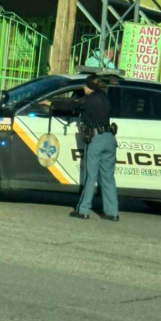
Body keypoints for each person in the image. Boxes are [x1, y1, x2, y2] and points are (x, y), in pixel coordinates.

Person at [43, 75, 119, 221]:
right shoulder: (105, 99)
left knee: (90, 176)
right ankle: (112, 212)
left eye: (85, 85)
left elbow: (72, 105)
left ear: (90, 86)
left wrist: (51, 103)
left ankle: (83, 210)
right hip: (110, 139)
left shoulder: (90, 100)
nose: (83, 88)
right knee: (108, 177)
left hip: (96, 139)